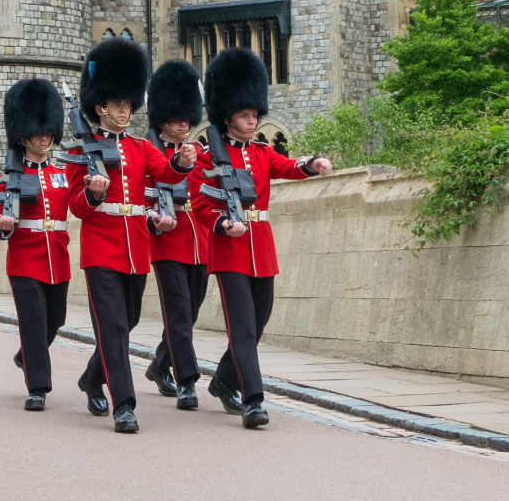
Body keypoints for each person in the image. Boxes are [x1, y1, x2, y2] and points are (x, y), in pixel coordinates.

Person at [191, 48, 332, 429]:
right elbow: (201, 204)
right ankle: (253, 399)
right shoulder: (208, 159)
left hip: (261, 248)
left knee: (260, 322)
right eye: (245, 115)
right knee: (243, 328)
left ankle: (223, 380)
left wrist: (313, 164)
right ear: (228, 117)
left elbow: (289, 166)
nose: (252, 121)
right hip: (230, 250)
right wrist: (222, 225)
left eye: (254, 115)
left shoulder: (262, 153)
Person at [71, 38, 197, 434]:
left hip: (135, 249)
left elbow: (166, 174)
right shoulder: (83, 150)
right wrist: (92, 193)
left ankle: (93, 378)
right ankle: (124, 405)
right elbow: (75, 206)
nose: (125, 110)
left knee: (126, 322)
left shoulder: (143, 147)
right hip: (100, 250)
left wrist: (179, 161)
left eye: (128, 104)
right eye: (118, 104)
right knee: (112, 328)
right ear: (101, 107)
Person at [0, 79, 70, 411]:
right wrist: (4, 225)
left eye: (47, 130)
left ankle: (26, 355)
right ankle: (37, 387)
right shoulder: (11, 175)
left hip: (59, 258)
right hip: (25, 259)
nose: (43, 136)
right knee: (34, 322)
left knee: (55, 320)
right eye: (37, 131)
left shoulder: (62, 173)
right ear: (23, 135)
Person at [141, 60, 209, 409]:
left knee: (190, 311)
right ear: (163, 118)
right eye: (178, 118)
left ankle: (158, 364)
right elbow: (139, 198)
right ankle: (187, 380)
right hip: (165, 239)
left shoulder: (201, 155)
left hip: (199, 240)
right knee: (179, 311)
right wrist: (154, 218)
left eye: (188, 118)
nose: (184, 124)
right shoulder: (148, 153)